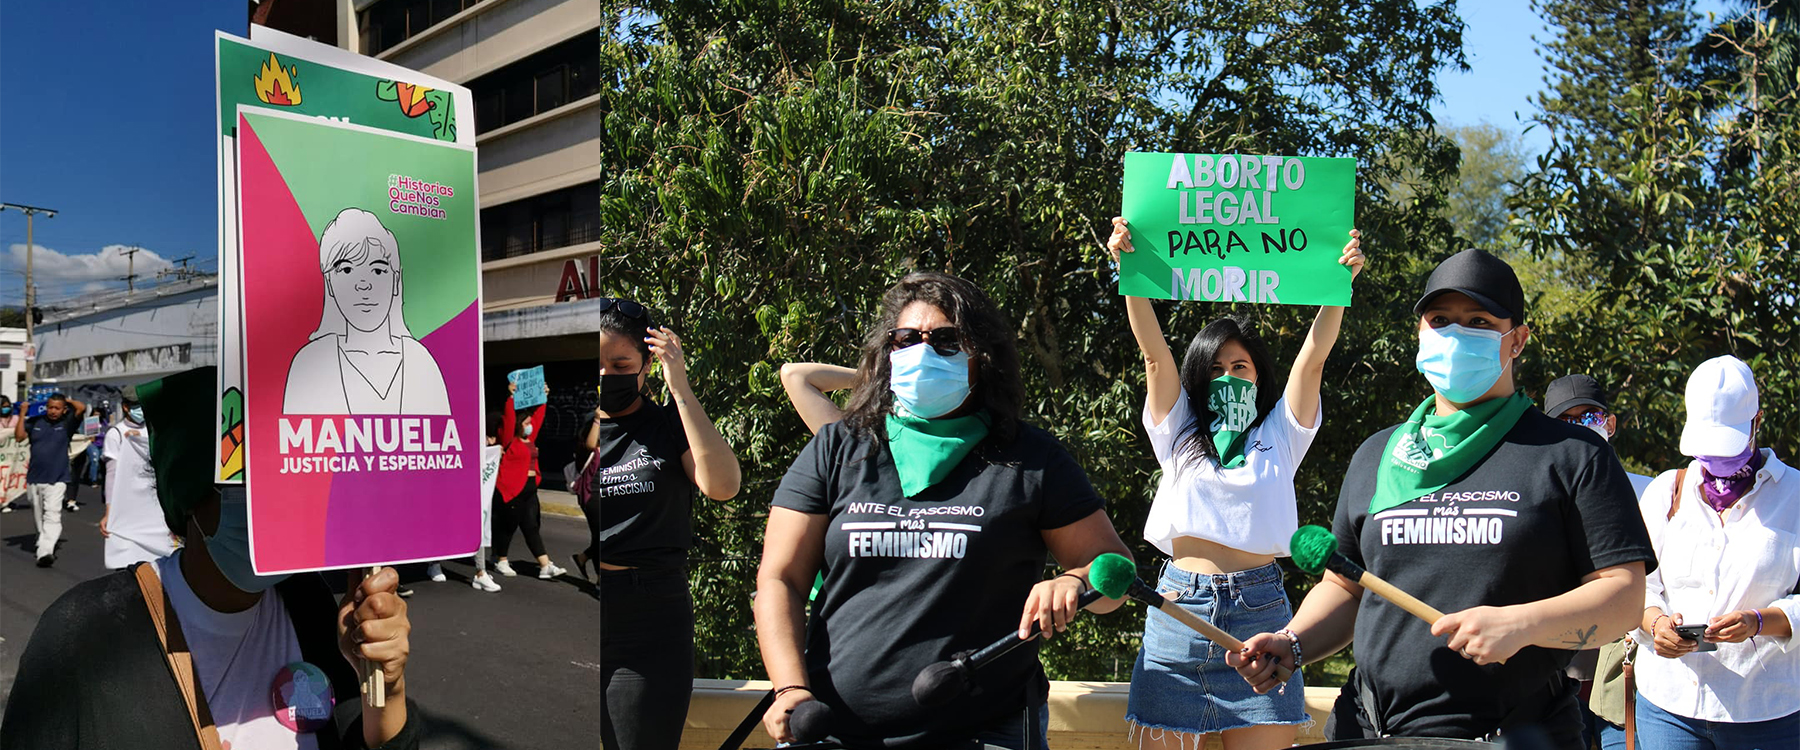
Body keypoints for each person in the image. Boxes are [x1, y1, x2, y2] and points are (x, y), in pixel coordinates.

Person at [1228, 248, 1656, 747]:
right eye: (1440, 320)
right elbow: (1346, 587)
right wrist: (1292, 643)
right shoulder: (1378, 453)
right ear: (1421, 334)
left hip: (1515, 735)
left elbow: (1624, 600)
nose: (1456, 334)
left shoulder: (1572, 455)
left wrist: (1521, 625)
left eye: (1478, 321)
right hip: (1369, 730)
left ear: (1517, 340)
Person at [755, 272, 1134, 749]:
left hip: (985, 731)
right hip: (831, 729)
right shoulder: (837, 448)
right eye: (907, 339)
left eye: (947, 340)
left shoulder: (1033, 459)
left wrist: (1075, 582)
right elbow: (780, 578)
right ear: (887, 353)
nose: (923, 352)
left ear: (982, 356)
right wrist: (791, 688)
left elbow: (1115, 575)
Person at [0, 367, 419, 749]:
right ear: (192, 503)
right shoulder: (81, 631)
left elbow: (362, 737)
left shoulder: (310, 606)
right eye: (249, 487)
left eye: (293, 484)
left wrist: (386, 685)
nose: (282, 507)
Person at [1107, 218, 1363, 749]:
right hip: (1177, 610)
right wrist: (1128, 268)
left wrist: (1339, 284)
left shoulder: (1280, 434)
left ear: (1258, 375)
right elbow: (1155, 355)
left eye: (1240, 365)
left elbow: (1313, 361)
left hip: (1260, 617)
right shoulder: (1177, 430)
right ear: (1200, 378)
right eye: (1217, 367)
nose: (1229, 375)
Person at [578, 296, 742, 750]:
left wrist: (681, 388)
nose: (607, 375)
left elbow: (723, 485)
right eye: (596, 364)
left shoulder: (669, 425)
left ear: (645, 366)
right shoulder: (582, 434)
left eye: (620, 362)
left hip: (649, 620)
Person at [1632, 355, 1798, 749]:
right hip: (1668, 708)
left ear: (1757, 422)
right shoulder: (1666, 493)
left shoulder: (1794, 496)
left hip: (1767, 713)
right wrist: (1656, 626)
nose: (1716, 461)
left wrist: (1761, 621)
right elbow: (1635, 584)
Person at [1543, 373, 1652, 750]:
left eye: (1588, 417)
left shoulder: (1653, 494)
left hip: (1623, 670)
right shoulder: (1534, 497)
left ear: (1610, 423)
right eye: (1565, 421)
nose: (1579, 429)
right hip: (1556, 666)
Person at [283, 207, 450, 416]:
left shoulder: (421, 362)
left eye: (378, 270)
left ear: (396, 280)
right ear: (329, 283)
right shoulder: (307, 365)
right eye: (346, 270)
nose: (363, 285)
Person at [493, 382, 565, 579]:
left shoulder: (530, 439)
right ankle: (501, 559)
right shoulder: (510, 440)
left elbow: (540, 417)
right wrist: (510, 397)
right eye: (526, 423)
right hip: (512, 489)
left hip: (530, 489)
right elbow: (508, 419)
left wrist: (543, 397)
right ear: (518, 425)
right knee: (509, 526)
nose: (530, 426)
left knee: (531, 526)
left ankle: (545, 566)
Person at [99, 386, 176, 569]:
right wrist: (109, 512)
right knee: (127, 559)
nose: (141, 410)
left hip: (153, 505)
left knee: (157, 560)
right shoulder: (115, 434)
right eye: (136, 405)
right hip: (126, 506)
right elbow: (112, 474)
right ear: (125, 407)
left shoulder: (154, 431)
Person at [15, 392, 87, 567]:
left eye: (57, 408)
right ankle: (44, 541)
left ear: (63, 410)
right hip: (34, 478)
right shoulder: (36, 422)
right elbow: (19, 437)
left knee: (52, 515)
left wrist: (65, 399)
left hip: (57, 478)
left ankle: (45, 552)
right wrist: (23, 413)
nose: (53, 411)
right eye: (50, 407)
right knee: (39, 516)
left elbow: (81, 407)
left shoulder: (67, 423)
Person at [0, 394, 21, 513]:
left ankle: (6, 501)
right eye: (3, 407)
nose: (6, 409)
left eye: (8, 406)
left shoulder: (15, 418)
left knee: (9, 479)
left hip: (12, 456)